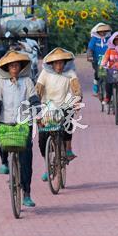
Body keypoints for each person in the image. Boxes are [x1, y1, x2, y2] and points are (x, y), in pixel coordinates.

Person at [0, 50, 39, 207]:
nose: (14, 68)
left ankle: (26, 193)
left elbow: (33, 98)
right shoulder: (1, 84)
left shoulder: (27, 82)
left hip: (24, 123)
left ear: (21, 67)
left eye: (17, 65)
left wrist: (38, 110)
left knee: (26, 160)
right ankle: (5, 162)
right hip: (5, 121)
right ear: (7, 68)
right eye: (11, 66)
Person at [36, 47, 82, 182]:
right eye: (56, 63)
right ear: (51, 64)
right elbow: (38, 89)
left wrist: (78, 99)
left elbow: (76, 88)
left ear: (65, 63)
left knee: (69, 118)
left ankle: (68, 148)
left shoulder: (70, 73)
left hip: (64, 106)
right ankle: (47, 165)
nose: (59, 65)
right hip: (47, 107)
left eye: (61, 63)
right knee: (42, 138)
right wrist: (35, 105)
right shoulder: (45, 73)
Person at [86, 22, 112, 96]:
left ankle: (112, 90)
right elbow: (90, 49)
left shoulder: (109, 39)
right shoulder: (94, 39)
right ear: (97, 32)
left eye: (104, 31)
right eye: (101, 31)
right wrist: (89, 56)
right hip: (97, 60)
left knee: (112, 73)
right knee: (99, 74)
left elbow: (114, 47)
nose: (103, 33)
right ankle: (97, 86)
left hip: (109, 60)